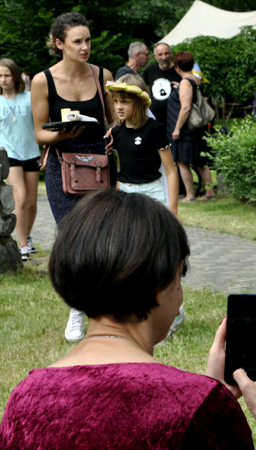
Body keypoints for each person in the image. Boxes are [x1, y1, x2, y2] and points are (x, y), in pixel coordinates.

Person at [0, 190, 256, 450]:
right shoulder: (193, 406)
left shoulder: (24, 399)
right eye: (179, 277)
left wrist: (213, 400)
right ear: (159, 285)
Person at [31, 11, 115, 343]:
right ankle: (78, 308)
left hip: (99, 163)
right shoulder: (43, 80)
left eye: (88, 40)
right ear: (59, 43)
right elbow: (39, 133)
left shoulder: (101, 75)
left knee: (103, 236)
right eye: (77, 41)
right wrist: (63, 134)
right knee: (72, 239)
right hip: (61, 164)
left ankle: (105, 309)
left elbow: (113, 120)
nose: (85, 47)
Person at [106, 74, 185, 338]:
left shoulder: (155, 129)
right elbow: (120, 172)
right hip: (126, 194)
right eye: (116, 101)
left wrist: (172, 211)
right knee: (129, 254)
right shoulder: (116, 133)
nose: (119, 107)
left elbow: (171, 172)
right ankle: (136, 312)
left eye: (125, 102)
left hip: (152, 194)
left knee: (156, 255)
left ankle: (173, 311)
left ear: (139, 103)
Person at [0, 58, 41, 262]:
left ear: (15, 76)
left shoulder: (29, 98)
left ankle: (26, 236)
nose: (3, 79)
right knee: (20, 197)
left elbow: (40, 126)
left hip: (32, 153)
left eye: (7, 75)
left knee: (32, 203)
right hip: (10, 154)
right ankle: (22, 245)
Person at [168, 51, 215, 202]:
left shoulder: (185, 83)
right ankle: (210, 193)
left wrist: (177, 128)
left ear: (177, 66)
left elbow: (186, 107)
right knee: (201, 162)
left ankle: (190, 195)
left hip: (187, 129)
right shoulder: (196, 79)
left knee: (182, 161)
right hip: (197, 127)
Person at [142, 42, 180, 128]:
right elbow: (140, 86)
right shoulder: (150, 70)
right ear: (155, 56)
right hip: (155, 120)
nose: (164, 57)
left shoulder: (179, 70)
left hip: (175, 120)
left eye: (166, 53)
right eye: (160, 54)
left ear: (171, 54)